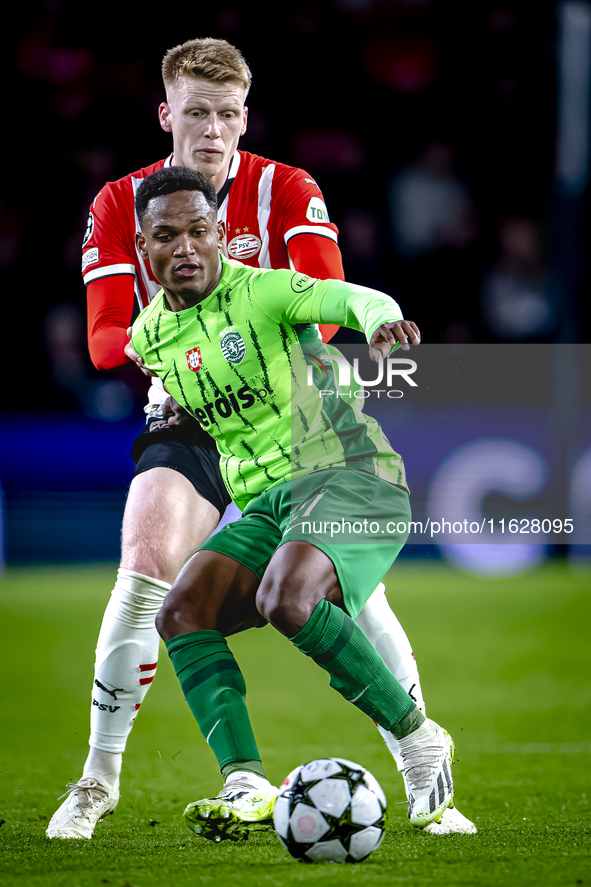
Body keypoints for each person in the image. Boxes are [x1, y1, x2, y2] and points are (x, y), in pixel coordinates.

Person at [47, 37, 475, 839]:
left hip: (294, 406)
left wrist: (333, 324)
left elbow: (324, 299)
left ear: (244, 119)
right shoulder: (119, 203)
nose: (212, 131)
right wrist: (180, 345)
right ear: (167, 114)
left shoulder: (286, 192)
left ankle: (420, 758)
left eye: (228, 115)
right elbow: (110, 344)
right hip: (189, 414)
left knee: (336, 593)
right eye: (197, 113)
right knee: (151, 571)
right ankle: (99, 781)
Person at [129, 166, 459, 842]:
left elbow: (354, 297)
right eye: (167, 235)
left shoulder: (269, 291)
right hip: (267, 504)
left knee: (289, 599)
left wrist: (383, 320)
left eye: (199, 231)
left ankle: (418, 738)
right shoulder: (149, 337)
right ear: (143, 246)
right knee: (181, 610)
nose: (185, 247)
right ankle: (245, 778)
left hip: (349, 475)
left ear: (222, 235)